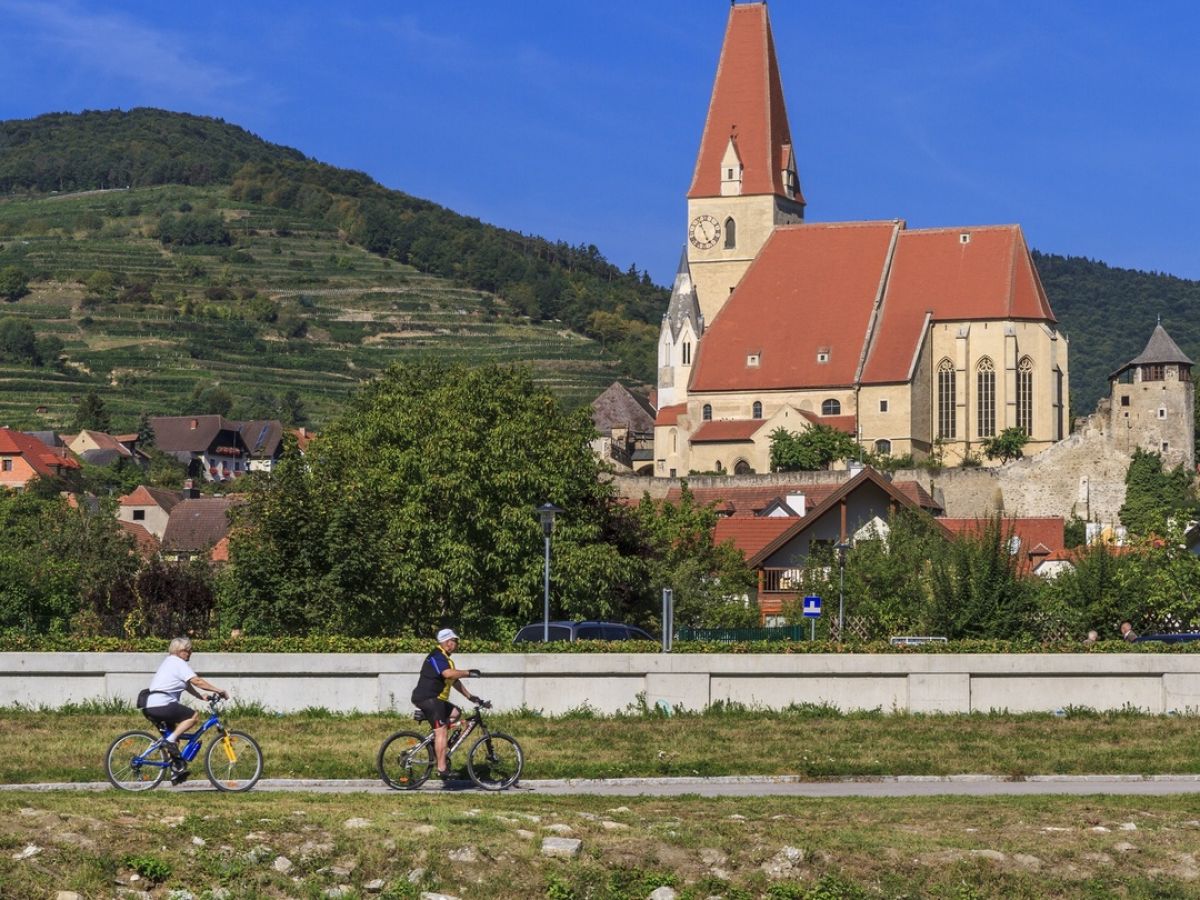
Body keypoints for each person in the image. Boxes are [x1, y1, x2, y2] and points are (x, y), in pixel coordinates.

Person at [143, 637, 229, 785]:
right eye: (188, 650)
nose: (190, 653)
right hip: (162, 704)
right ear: (179, 651)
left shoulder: (169, 662)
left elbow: (186, 684)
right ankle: (170, 742)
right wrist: (218, 690)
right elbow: (196, 681)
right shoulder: (178, 662)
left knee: (175, 738)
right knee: (193, 716)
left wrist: (200, 696)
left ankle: (176, 771)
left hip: (152, 705)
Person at [410, 627, 481, 780]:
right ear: (448, 642)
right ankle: (442, 769)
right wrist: (469, 672)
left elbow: (453, 680)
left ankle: (438, 742)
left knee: (456, 713)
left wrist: (471, 697)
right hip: (428, 698)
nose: (457, 644)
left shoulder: (446, 658)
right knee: (442, 730)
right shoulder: (437, 656)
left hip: (437, 700)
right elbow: (447, 674)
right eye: (455, 641)